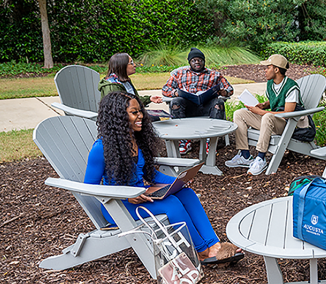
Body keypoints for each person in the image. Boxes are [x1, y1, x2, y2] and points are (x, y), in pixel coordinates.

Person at [84, 91, 243, 265]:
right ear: (118, 117)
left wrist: (177, 182)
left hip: (142, 195)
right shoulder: (101, 148)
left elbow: (150, 174)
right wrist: (126, 196)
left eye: (140, 111)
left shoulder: (136, 140)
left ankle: (215, 245)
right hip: (118, 207)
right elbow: (89, 187)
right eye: (134, 112)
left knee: (187, 194)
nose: (141, 116)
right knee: (172, 204)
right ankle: (201, 252)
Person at [225, 54, 310, 176]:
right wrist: (264, 105)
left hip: (285, 125)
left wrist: (262, 112)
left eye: (268, 67)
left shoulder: (291, 87)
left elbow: (289, 113)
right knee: (239, 113)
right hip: (270, 121)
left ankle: (261, 158)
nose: (265, 70)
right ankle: (245, 155)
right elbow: (275, 100)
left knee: (267, 116)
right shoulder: (271, 83)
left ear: (276, 69)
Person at [162, 47, 234, 153]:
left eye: (200, 60)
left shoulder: (214, 75)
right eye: (194, 60)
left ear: (204, 61)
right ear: (189, 62)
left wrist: (225, 92)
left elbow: (230, 89)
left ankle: (211, 141)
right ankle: (184, 141)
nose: (197, 62)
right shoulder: (179, 74)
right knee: (175, 102)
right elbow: (165, 89)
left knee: (219, 103)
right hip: (188, 107)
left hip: (207, 106)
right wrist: (175, 93)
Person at [98, 53, 166, 121]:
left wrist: (149, 99)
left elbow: (133, 99)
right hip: (121, 121)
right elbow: (116, 111)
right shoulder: (112, 86)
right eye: (131, 63)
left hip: (131, 113)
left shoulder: (125, 81)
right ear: (122, 65)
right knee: (154, 119)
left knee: (155, 118)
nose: (135, 65)